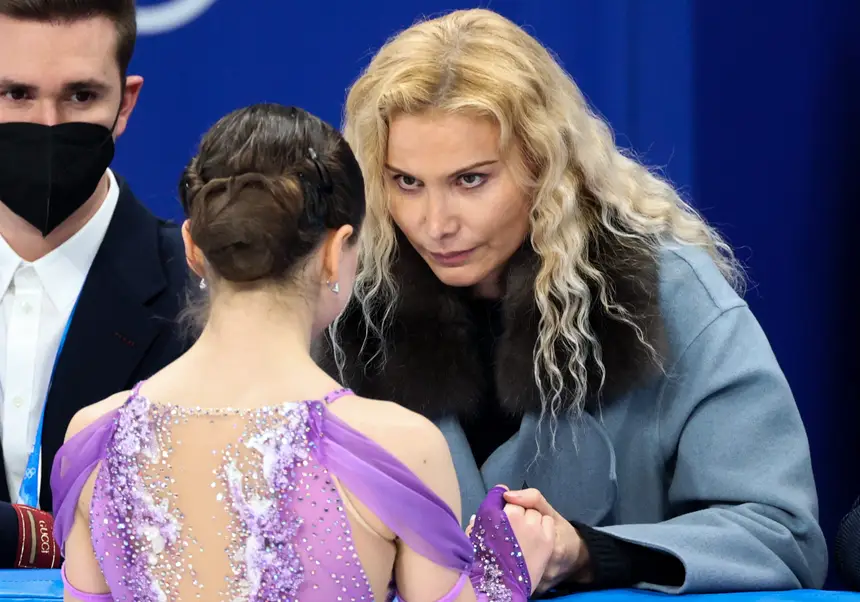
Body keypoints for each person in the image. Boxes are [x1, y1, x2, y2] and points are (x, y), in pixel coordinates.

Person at [312, 7, 828, 596]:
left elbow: (781, 535)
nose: (435, 224)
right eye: (406, 182)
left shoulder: (669, 293)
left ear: (545, 162)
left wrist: (585, 553)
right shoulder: (346, 306)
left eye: (471, 180)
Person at [51, 103, 552, 601]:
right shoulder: (398, 446)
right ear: (336, 251)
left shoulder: (94, 436)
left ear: (193, 249)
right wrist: (505, 570)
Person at [0, 0, 188, 569]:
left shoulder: (205, 301)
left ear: (124, 103)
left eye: (80, 96)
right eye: (17, 94)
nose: (49, 125)